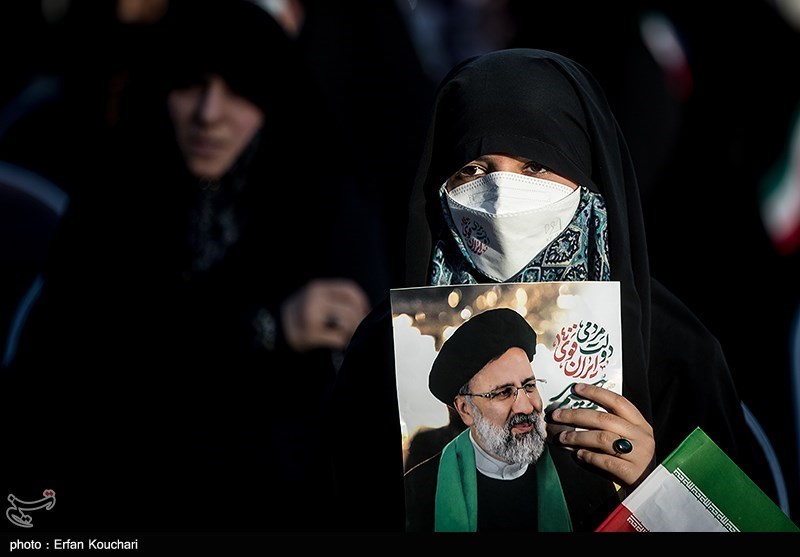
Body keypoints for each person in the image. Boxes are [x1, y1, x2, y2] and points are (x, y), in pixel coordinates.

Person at [330, 48, 776, 532]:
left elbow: (747, 523)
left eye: (535, 166)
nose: (500, 195)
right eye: (473, 170)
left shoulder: (671, 348)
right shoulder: (383, 347)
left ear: (588, 172)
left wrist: (655, 484)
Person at [5, 0, 372, 532]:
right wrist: (266, 327)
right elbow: (77, 369)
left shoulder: (320, 205)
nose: (208, 113)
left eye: (240, 90)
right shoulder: (112, 202)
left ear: (274, 97)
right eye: (188, 85)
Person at [404, 307, 653, 532]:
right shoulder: (418, 489)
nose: (526, 405)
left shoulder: (583, 475)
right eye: (503, 393)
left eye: (529, 386)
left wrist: (645, 488)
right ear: (465, 409)